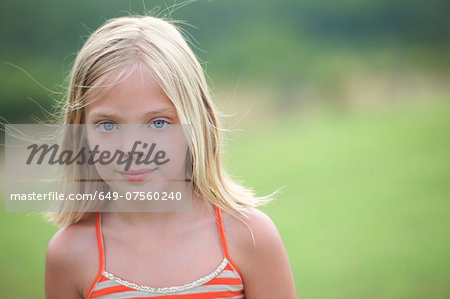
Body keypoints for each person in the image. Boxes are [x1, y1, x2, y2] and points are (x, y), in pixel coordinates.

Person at [45, 15, 297, 299]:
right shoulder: (69, 255)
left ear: (197, 124)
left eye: (158, 123)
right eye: (108, 125)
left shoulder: (251, 237)